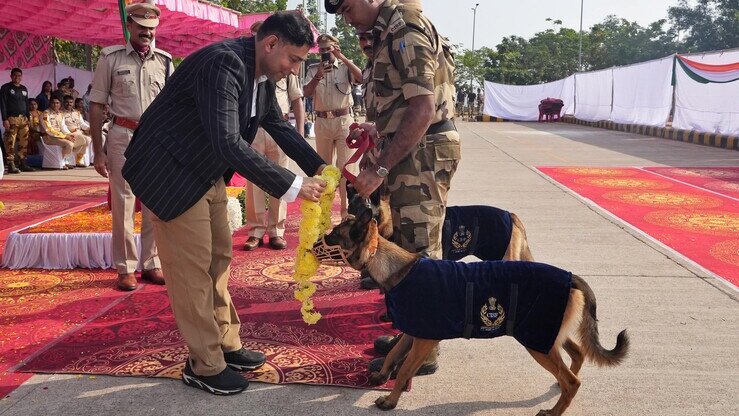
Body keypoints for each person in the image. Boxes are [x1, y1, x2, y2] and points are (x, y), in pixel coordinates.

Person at [121, 11, 327, 396]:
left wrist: (321, 167)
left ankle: (226, 345)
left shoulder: (261, 73)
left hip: (204, 170)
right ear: (270, 44)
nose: (295, 71)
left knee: (218, 259)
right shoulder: (224, 63)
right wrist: (294, 185)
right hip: (172, 173)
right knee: (192, 272)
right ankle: (204, 363)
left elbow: (277, 125)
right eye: (294, 60)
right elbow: (228, 142)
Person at [327, 0, 460, 375]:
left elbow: (423, 107)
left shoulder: (405, 27)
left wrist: (381, 167)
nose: (347, 18)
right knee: (406, 248)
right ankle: (412, 336)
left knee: (420, 252)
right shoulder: (388, 31)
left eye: (349, 8)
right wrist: (377, 130)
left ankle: (425, 350)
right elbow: (404, 105)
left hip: (424, 151)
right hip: (414, 149)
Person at [89, 0, 172, 291]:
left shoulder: (164, 60)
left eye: (151, 28)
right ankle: (125, 267)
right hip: (121, 135)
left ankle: (151, 263)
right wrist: (98, 150)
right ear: (129, 25)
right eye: (141, 27)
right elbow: (97, 105)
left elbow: (172, 106)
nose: (147, 32)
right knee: (123, 203)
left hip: (154, 139)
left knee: (154, 203)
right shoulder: (110, 59)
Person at [243, 20, 306, 252]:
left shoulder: (287, 67)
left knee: (281, 178)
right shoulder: (247, 68)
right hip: (254, 130)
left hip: (279, 130)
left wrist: (299, 133)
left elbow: (297, 100)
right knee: (254, 182)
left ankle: (277, 231)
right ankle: (256, 231)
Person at [303, 34, 362, 219]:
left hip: (344, 120)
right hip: (322, 122)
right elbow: (306, 92)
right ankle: (324, 215)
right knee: (324, 170)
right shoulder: (314, 69)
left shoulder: (345, 66)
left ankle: (346, 214)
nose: (325, 53)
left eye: (328, 49)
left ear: (336, 47)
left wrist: (343, 58)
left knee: (346, 169)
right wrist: (318, 75)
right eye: (322, 50)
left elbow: (361, 78)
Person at [1, 68, 35, 173]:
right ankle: (11, 164)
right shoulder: (5, 88)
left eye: (19, 76)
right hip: (12, 118)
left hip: (23, 119)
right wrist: (5, 119)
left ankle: (23, 162)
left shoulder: (24, 88)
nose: (17, 77)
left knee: (24, 141)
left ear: (21, 77)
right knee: (10, 141)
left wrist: (28, 118)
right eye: (15, 75)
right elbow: (2, 104)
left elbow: (26, 104)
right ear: (11, 76)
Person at [41, 97, 85, 170]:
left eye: (57, 103)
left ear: (60, 104)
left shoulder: (60, 114)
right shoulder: (45, 114)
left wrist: (69, 135)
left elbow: (63, 127)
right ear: (50, 103)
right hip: (48, 137)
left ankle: (67, 159)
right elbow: (49, 130)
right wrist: (64, 136)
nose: (55, 105)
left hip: (60, 137)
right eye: (53, 103)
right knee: (69, 144)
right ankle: (62, 162)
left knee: (81, 140)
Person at [63, 95, 92, 166]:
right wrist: (68, 134)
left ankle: (78, 159)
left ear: (73, 103)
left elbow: (82, 124)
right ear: (63, 102)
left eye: (70, 102)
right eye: (67, 102)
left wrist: (89, 128)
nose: (69, 104)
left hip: (79, 132)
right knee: (83, 140)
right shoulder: (61, 113)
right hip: (69, 133)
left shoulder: (77, 112)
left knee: (88, 139)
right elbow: (62, 126)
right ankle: (67, 158)